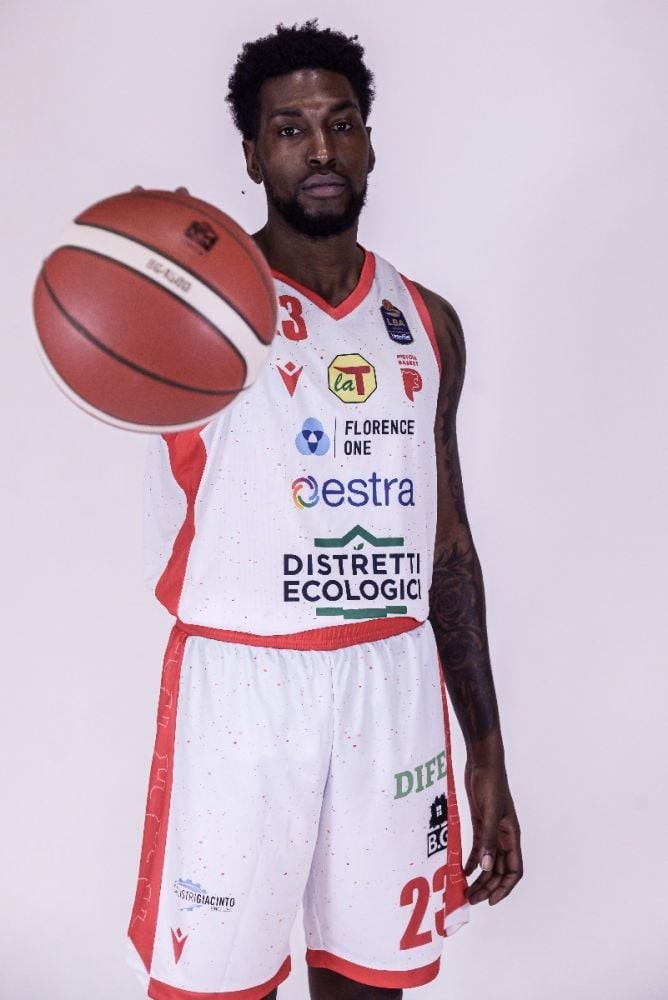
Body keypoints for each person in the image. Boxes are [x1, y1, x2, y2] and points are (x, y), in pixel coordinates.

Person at [127, 21, 522, 1000]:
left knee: (369, 985)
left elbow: (449, 549)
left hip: (390, 687)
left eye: (340, 124)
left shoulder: (426, 321)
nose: (319, 150)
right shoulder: (200, 311)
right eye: (290, 128)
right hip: (245, 689)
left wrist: (486, 754)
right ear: (252, 153)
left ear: (369, 143)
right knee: (214, 989)